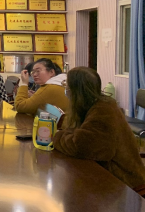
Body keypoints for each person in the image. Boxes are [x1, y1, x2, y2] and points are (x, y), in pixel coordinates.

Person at [54, 67, 145, 198]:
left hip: (126, 183)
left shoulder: (103, 111)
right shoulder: (93, 105)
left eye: (67, 87)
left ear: (77, 91)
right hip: (112, 177)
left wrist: (57, 137)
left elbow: (81, 146)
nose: (66, 90)